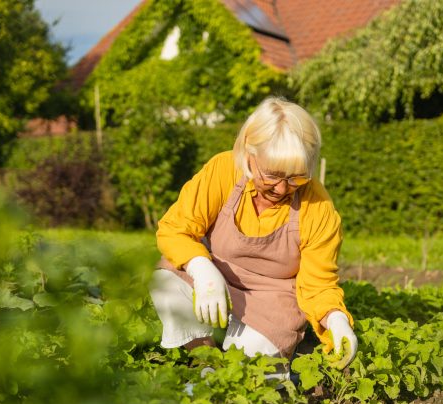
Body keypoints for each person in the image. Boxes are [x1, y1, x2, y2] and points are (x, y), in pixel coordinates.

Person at [149, 97, 357, 370]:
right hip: (217, 276)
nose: (282, 189)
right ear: (249, 153)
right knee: (165, 282)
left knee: (257, 359)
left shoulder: (318, 208)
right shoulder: (223, 171)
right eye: (272, 175)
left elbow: (318, 283)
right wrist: (200, 267)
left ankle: (232, 374)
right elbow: (175, 229)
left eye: (296, 177)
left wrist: (336, 320)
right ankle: (205, 362)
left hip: (274, 299)